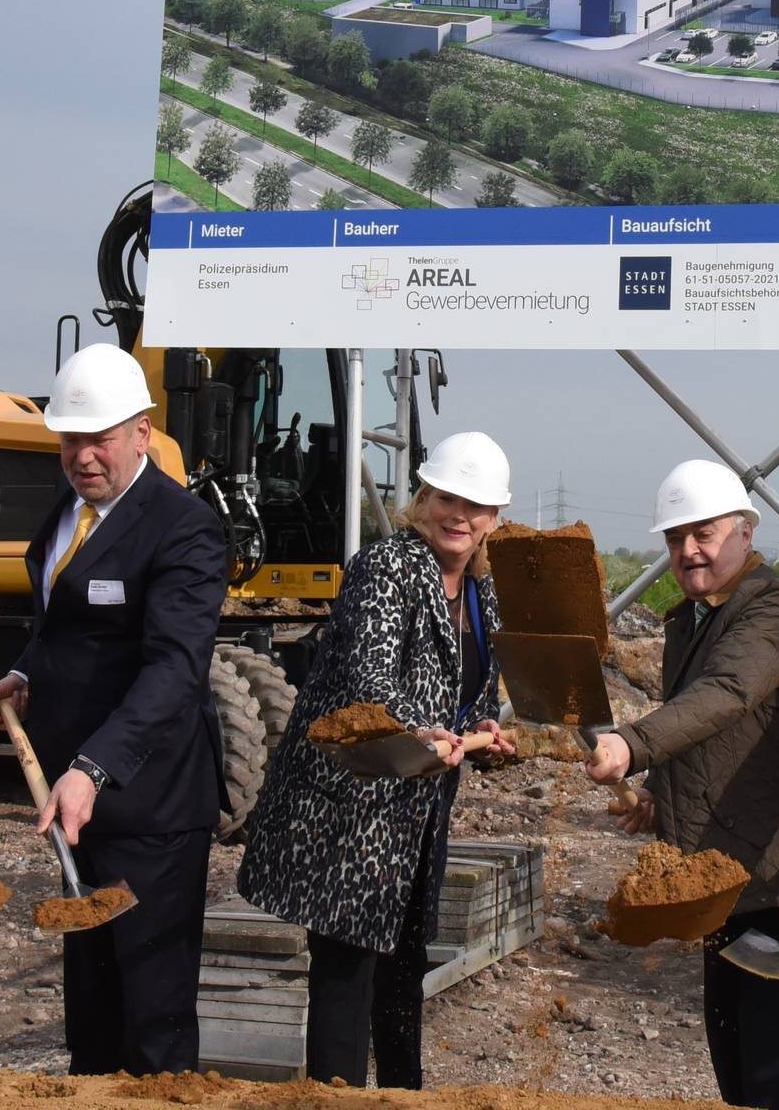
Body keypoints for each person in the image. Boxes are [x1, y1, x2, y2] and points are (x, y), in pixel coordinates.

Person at [0, 343, 230, 1076]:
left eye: (100, 438)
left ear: (142, 432)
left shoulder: (183, 528)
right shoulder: (70, 511)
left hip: (149, 806)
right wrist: (24, 671)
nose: (84, 455)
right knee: (92, 1006)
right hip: (75, 801)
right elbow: (65, 624)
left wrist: (93, 767)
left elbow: (174, 669)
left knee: (152, 1012)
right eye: (71, 439)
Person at [238, 432, 517, 1089]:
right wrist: (423, 731)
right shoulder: (388, 565)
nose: (460, 515)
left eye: (476, 505)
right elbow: (371, 682)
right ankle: (335, 1097)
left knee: (402, 966)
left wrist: (479, 728)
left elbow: (469, 691)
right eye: (447, 497)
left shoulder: (482, 592)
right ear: (423, 500)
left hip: (415, 813)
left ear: (494, 520)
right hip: (352, 806)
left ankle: (401, 1094)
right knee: (347, 965)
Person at [583, 460, 779, 1110]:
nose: (688, 551)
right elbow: (709, 734)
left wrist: (632, 744)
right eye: (675, 539)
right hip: (728, 878)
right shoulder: (694, 618)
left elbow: (725, 694)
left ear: (745, 530)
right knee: (732, 1063)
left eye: (703, 533)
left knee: (766, 1066)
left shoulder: (772, 610)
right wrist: (658, 796)